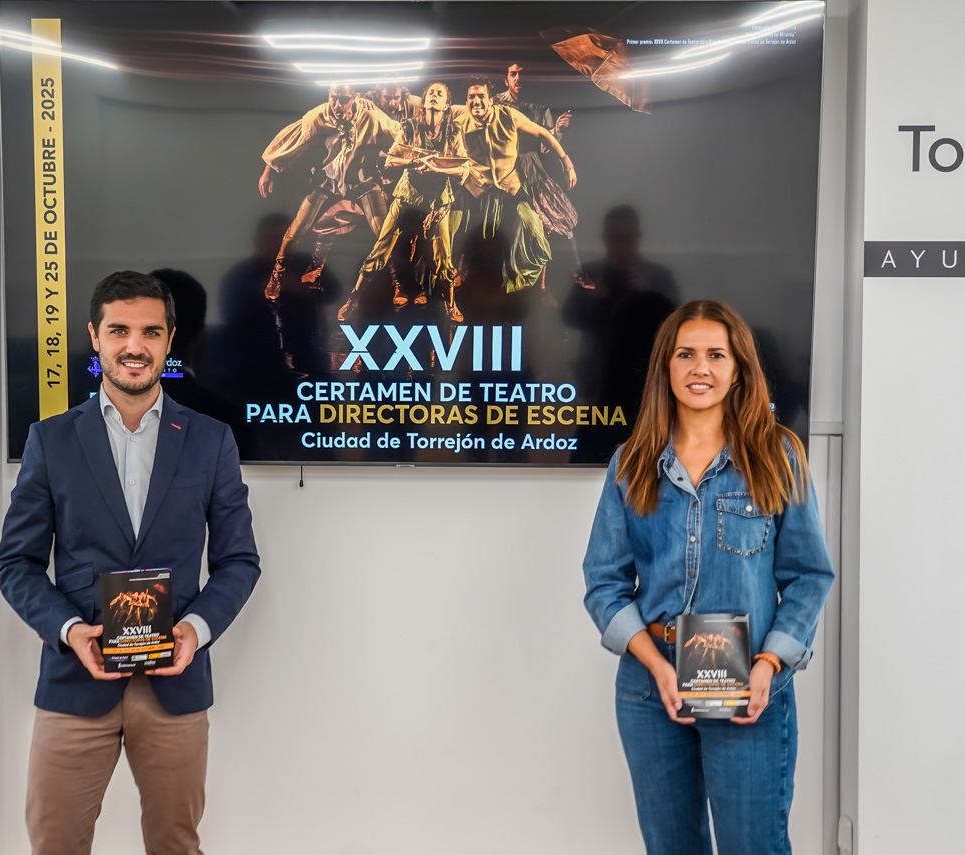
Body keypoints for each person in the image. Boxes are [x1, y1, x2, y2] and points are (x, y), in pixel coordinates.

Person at [0, 271, 261, 855]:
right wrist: (70, 630)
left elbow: (240, 561)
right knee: (55, 845)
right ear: (95, 336)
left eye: (150, 332)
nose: (134, 346)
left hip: (174, 683)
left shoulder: (211, 439)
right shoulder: (51, 441)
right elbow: (15, 563)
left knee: (175, 845)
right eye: (119, 331)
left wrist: (195, 630)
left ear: (170, 340)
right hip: (75, 679)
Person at [581, 300, 833, 855]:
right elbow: (604, 583)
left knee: (753, 845)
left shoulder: (777, 456)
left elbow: (809, 576)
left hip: (746, 687)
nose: (701, 368)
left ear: (738, 368)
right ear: (665, 367)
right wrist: (656, 665)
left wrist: (769, 664)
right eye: (686, 354)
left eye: (716, 355)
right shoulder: (631, 463)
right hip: (650, 690)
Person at [338, 81, 469, 322]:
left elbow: (463, 168)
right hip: (407, 193)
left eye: (440, 94)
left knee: (443, 255)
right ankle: (353, 298)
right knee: (381, 247)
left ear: (446, 104)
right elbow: (390, 161)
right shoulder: (410, 127)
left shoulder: (452, 131)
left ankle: (451, 304)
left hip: (438, 199)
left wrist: (437, 169)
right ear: (424, 100)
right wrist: (414, 162)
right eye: (430, 93)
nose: (434, 96)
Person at [258, 84, 400, 299]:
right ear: (329, 95)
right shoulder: (319, 116)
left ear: (354, 97)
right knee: (296, 229)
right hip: (329, 181)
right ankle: (276, 276)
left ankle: (399, 282)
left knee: (384, 232)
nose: (337, 104)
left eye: (343, 99)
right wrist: (268, 171)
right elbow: (292, 139)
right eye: (334, 98)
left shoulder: (372, 117)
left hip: (364, 182)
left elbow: (400, 137)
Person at [452, 76, 576, 295]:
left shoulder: (508, 115)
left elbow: (543, 133)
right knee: (465, 231)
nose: (476, 101)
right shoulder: (460, 123)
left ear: (491, 99)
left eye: (481, 96)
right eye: (472, 97)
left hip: (511, 188)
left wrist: (567, 163)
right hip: (477, 188)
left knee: (532, 230)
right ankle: (460, 272)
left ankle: (522, 283)